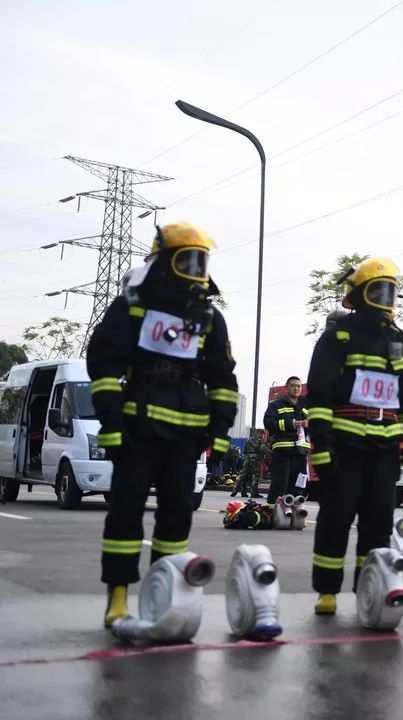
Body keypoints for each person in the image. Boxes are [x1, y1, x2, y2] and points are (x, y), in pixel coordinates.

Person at [86, 222, 238, 629]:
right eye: (186, 258)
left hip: (186, 434)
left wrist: (220, 432)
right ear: (165, 261)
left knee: (175, 520)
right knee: (125, 515)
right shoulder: (132, 305)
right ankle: (117, 596)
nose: (194, 267)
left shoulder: (208, 315)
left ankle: (163, 594)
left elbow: (223, 379)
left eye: (200, 260)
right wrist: (112, 422)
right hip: (137, 427)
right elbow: (104, 365)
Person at [304, 257, 403, 616]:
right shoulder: (338, 336)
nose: (386, 298)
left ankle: (367, 589)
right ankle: (326, 592)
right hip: (345, 447)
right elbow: (320, 396)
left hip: (384, 450)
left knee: (376, 525)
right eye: (378, 290)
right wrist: (321, 449)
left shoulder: (398, 341)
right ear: (357, 294)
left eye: (391, 291)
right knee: (335, 520)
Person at [263, 376, 310, 503]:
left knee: (299, 487)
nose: (296, 388)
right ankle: (273, 516)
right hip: (283, 452)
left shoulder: (306, 406)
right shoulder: (276, 405)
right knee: (279, 485)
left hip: (301, 453)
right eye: (293, 385)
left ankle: (294, 517)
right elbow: (269, 423)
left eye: (299, 386)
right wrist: (292, 424)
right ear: (286, 387)